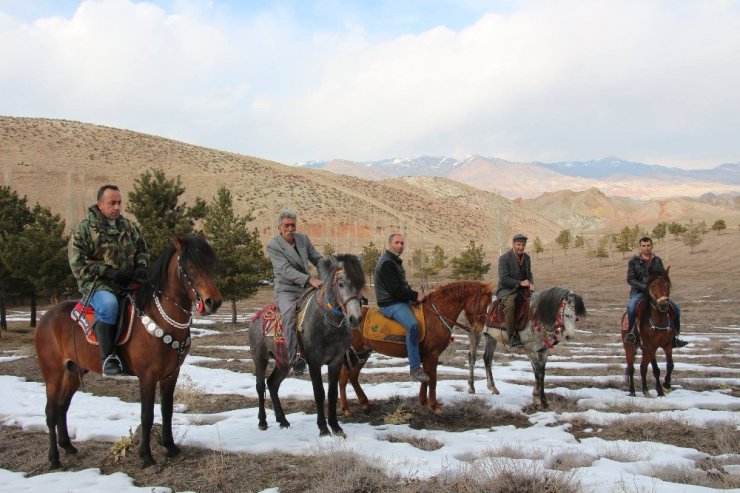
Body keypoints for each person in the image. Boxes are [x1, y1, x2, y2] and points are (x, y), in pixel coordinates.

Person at [69, 184, 149, 376]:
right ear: (100, 204)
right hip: (98, 284)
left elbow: (142, 249)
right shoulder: (84, 229)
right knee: (109, 306)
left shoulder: (128, 227)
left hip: (128, 282)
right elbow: (77, 263)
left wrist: (141, 266)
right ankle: (108, 358)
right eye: (111, 203)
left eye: (119, 203)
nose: (116, 207)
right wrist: (107, 271)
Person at [266, 210, 324, 376]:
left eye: (293, 225)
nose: (290, 228)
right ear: (280, 227)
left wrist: (329, 267)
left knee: (323, 309)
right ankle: (294, 358)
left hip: (305, 288)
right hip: (287, 290)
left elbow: (317, 258)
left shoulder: (303, 239)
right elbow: (285, 270)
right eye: (287, 225)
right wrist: (310, 280)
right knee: (290, 316)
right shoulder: (274, 246)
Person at [374, 233, 429, 383]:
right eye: (397, 243)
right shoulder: (386, 263)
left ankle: (423, 355)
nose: (400, 246)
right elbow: (395, 290)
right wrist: (414, 296)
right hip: (390, 303)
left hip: (398, 300)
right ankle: (415, 368)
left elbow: (401, 285)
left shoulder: (394, 261)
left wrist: (412, 296)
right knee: (413, 326)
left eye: (402, 243)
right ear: (389, 244)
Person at [625, 236, 686, 347]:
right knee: (631, 307)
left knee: (676, 309)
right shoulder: (633, 262)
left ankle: (675, 337)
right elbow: (630, 279)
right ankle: (631, 333)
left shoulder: (658, 261)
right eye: (644, 246)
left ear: (651, 246)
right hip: (639, 292)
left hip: (657, 293)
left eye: (648, 245)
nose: (646, 248)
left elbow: (662, 277)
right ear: (640, 247)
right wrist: (646, 287)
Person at [496, 233, 534, 348]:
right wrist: (520, 283)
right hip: (506, 290)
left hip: (522, 290)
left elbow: (529, 274)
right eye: (518, 244)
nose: (521, 247)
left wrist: (531, 283)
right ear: (513, 244)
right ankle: (511, 336)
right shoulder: (504, 258)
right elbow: (503, 279)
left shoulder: (527, 258)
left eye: (523, 245)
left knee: (537, 302)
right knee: (511, 304)